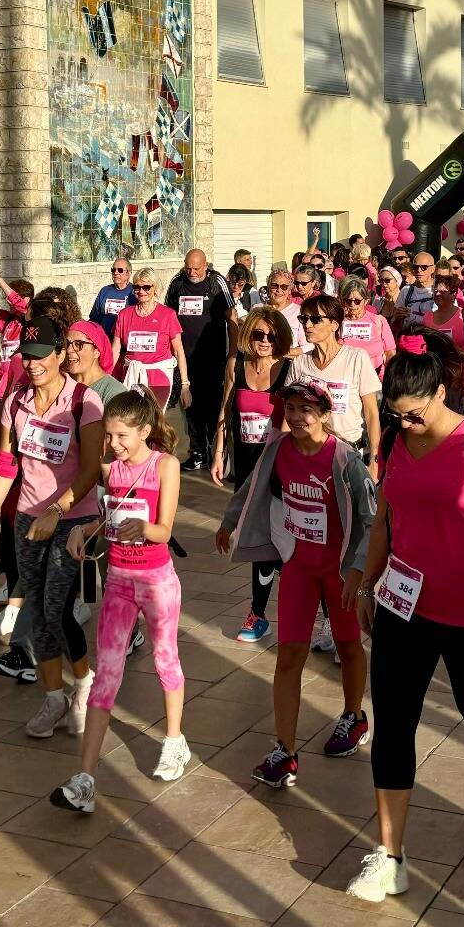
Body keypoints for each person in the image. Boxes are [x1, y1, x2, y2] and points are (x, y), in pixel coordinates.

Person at [346, 332, 464, 903]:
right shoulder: (396, 441)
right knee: (393, 725)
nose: (408, 425)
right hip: (405, 608)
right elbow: (385, 519)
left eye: (416, 415)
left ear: (440, 393)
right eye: (398, 416)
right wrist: (367, 580)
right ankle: (390, 852)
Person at [218, 381, 376, 789]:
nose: (297, 416)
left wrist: (359, 573)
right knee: (289, 657)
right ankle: (284, 751)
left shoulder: (344, 460)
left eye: (306, 409)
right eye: (290, 408)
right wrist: (229, 520)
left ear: (325, 414)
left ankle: (354, 716)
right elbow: (251, 487)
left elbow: (372, 519)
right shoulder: (278, 450)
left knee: (347, 645)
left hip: (339, 572)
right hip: (299, 568)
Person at [51, 391, 188, 813]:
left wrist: (143, 526)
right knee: (105, 673)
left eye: (122, 435)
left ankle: (174, 741)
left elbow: (165, 530)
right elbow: (106, 516)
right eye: (109, 435)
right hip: (118, 583)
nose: (114, 444)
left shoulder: (166, 466)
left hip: (156, 581)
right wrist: (84, 529)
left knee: (166, 658)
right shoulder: (111, 471)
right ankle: (85, 777)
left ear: (145, 431)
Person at [0, 316, 106, 736]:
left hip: (76, 519)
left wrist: (60, 509)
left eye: (41, 356)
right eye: (26, 357)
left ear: (62, 354)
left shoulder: (84, 401)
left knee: (56, 607)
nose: (32, 365)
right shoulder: (16, 401)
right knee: (36, 608)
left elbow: (90, 470)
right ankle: (53, 698)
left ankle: (84, 684)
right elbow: (6, 465)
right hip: (29, 519)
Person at [213, 305, 293, 642]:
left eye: (272, 337)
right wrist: (219, 454)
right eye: (258, 334)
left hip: (277, 466)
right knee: (257, 538)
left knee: (282, 540)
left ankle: (298, 609)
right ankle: (258, 614)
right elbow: (225, 412)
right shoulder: (237, 365)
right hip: (245, 464)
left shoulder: (290, 368)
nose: (264, 341)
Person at [288, 293, 381, 462]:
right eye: (303, 319)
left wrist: (375, 459)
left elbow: (371, 413)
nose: (307, 325)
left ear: (334, 325)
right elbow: (289, 409)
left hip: (347, 453)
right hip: (307, 451)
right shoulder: (299, 363)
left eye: (315, 319)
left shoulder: (357, 358)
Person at [165, 248, 235, 473]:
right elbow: (168, 317)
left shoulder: (217, 283)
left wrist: (232, 353)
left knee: (213, 405)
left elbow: (231, 317)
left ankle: (216, 449)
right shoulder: (177, 283)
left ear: (206, 266)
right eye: (188, 267)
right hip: (185, 358)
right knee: (190, 406)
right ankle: (197, 451)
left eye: (196, 268)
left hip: (213, 357)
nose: (192, 272)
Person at [112, 268, 190, 413]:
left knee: (155, 422)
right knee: (133, 420)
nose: (141, 291)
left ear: (155, 288)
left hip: (159, 377)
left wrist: (185, 386)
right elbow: (115, 350)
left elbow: (179, 351)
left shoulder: (167, 315)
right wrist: (106, 377)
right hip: (132, 376)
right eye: (137, 287)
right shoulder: (124, 315)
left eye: (146, 287)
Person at [337, 276, 397, 374]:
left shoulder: (379, 321)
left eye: (357, 301)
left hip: (376, 377)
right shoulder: (337, 322)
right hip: (346, 375)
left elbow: (390, 352)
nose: (352, 305)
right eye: (348, 301)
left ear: (366, 301)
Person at [89, 258, 134, 336]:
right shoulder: (104, 291)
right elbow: (94, 318)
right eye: (113, 270)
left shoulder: (136, 292)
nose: (116, 273)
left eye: (120, 270)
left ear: (129, 273)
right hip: (104, 339)